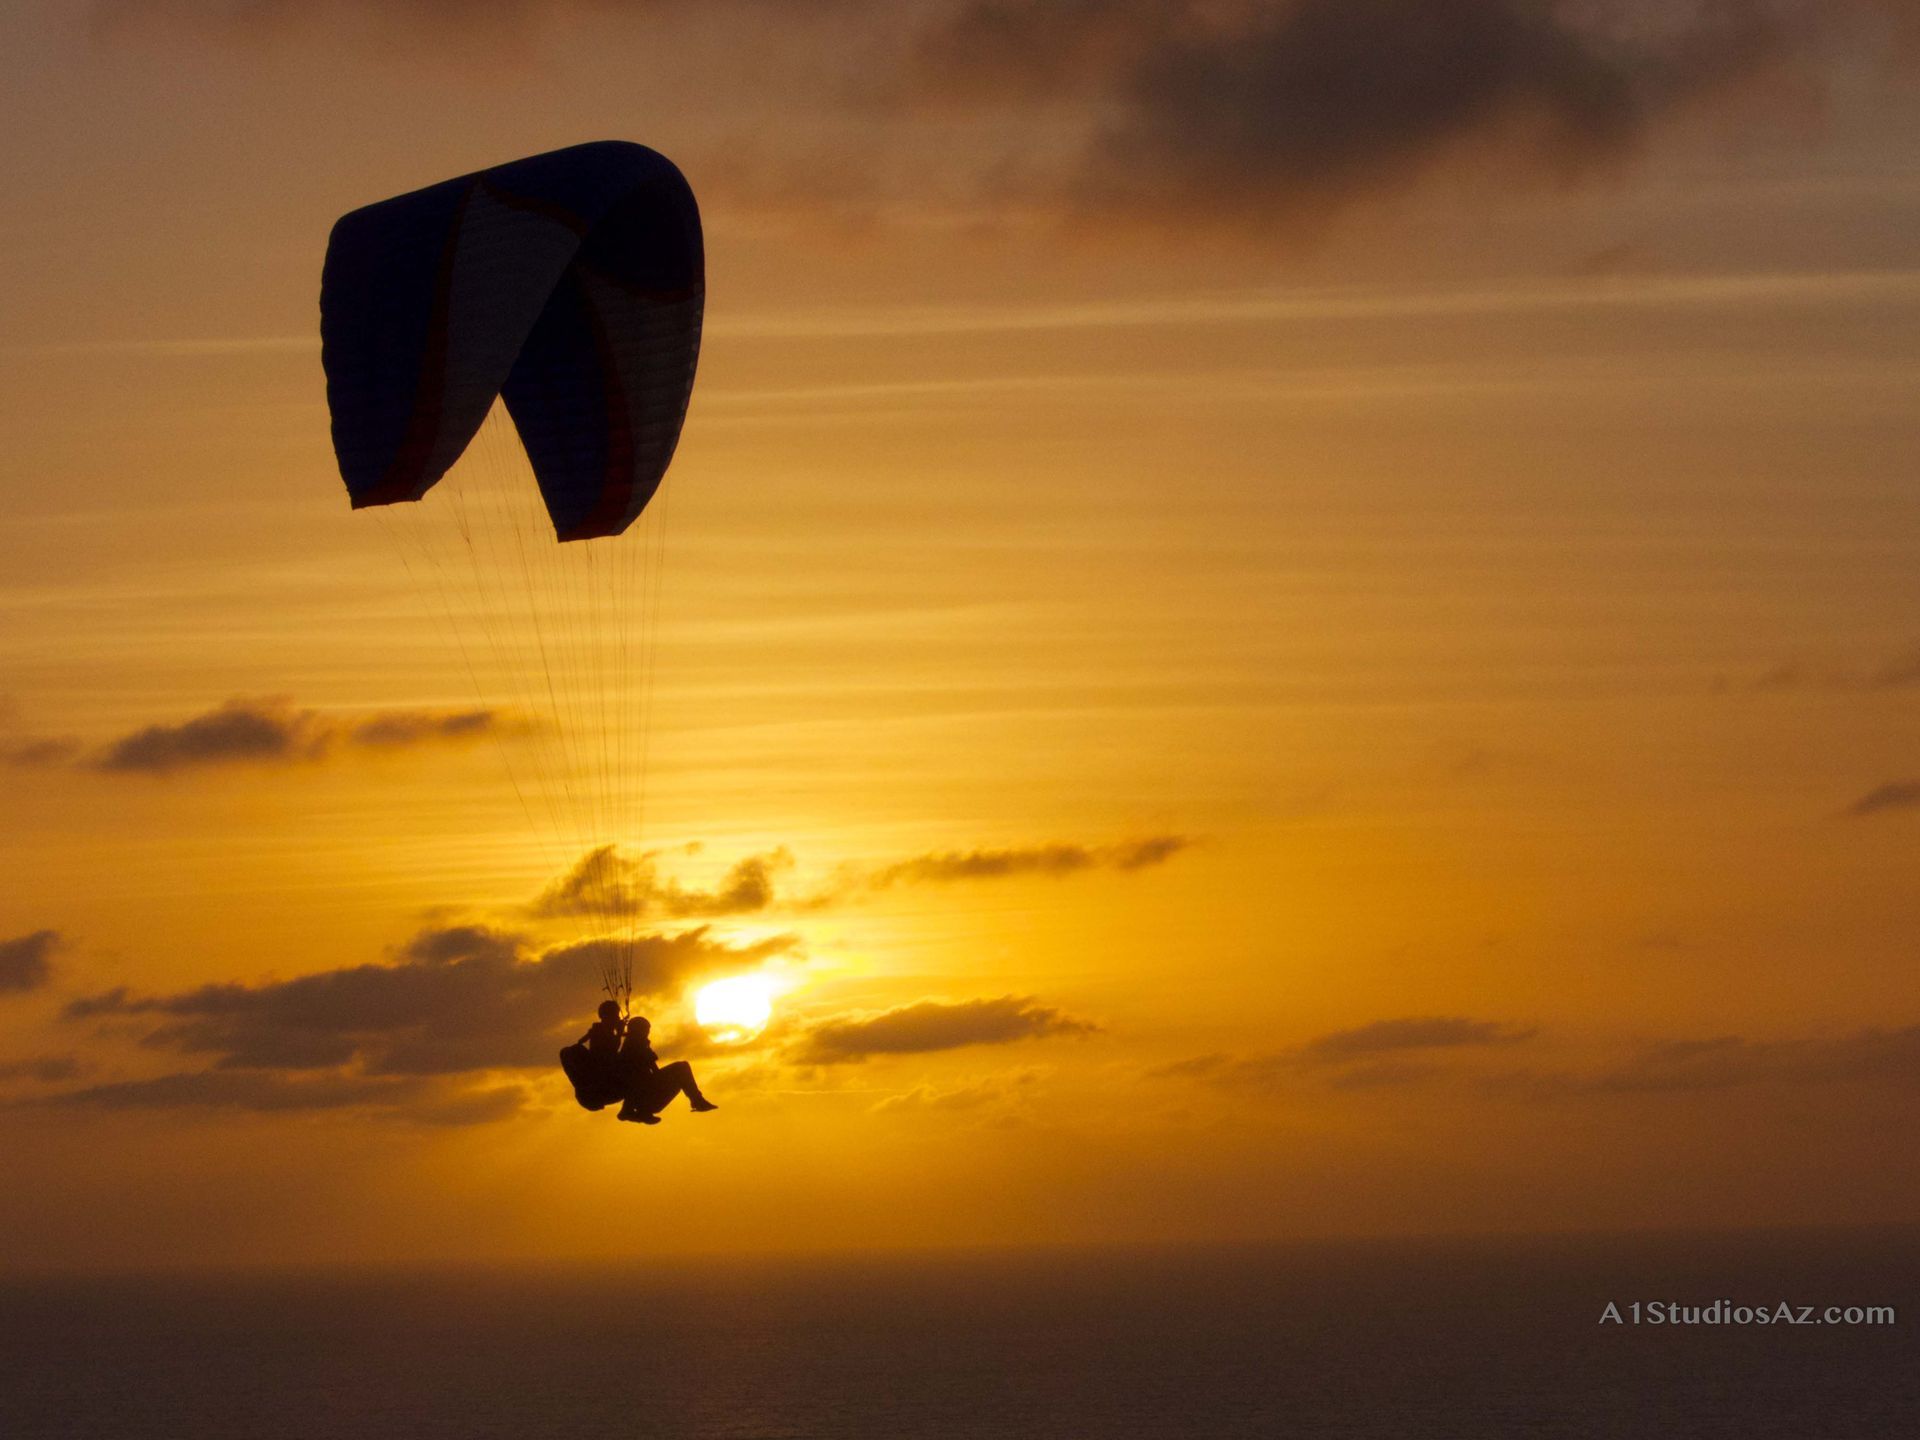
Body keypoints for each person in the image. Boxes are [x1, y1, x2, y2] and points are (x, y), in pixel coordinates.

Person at [615, 1016, 718, 1124]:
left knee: (681, 1070)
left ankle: (697, 1100)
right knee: (682, 1068)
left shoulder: (636, 1046)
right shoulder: (635, 1047)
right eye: (645, 1030)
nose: (647, 1033)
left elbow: (652, 1072)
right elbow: (639, 1078)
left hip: (645, 1098)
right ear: (639, 1031)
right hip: (646, 1098)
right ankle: (697, 1101)